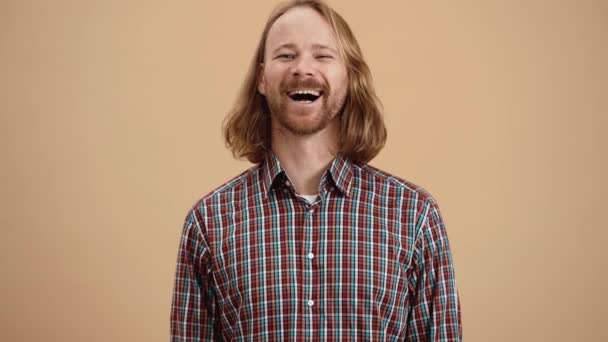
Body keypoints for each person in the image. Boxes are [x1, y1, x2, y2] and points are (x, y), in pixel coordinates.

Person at [170, 0, 462, 340]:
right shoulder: (209, 223)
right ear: (262, 79)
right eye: (285, 55)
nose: (303, 69)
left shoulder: (414, 216)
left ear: (349, 76)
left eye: (322, 55)